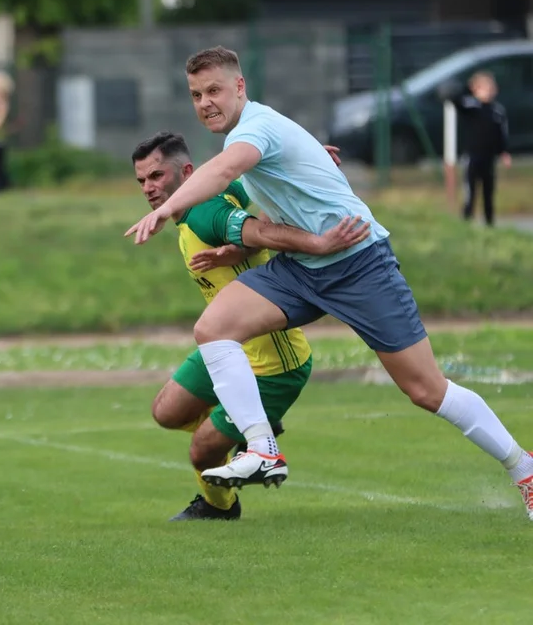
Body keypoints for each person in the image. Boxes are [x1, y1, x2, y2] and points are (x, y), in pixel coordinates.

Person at [125, 46, 533, 519]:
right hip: (301, 267)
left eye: (214, 90)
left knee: (426, 390)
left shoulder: (252, 130)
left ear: (240, 87)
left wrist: (167, 208)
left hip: (358, 261)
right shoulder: (252, 132)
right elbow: (269, 184)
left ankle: (524, 469)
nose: (205, 103)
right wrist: (306, 165)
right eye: (196, 94)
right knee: (213, 328)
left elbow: (224, 171)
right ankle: (262, 447)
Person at [134, 132, 370, 521]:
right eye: (142, 180)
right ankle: (253, 426)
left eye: (157, 176)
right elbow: (248, 182)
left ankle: (219, 507)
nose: (149, 188)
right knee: (165, 412)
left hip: (275, 365)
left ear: (187, 172)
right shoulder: (197, 207)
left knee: (201, 450)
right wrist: (304, 158)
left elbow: (259, 232)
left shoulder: (205, 213)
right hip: (226, 345)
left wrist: (317, 243)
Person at [452, 71, 513, 226]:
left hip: (489, 158)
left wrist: (504, 152)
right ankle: (466, 221)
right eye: (483, 88)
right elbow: (456, 101)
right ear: (476, 89)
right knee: (470, 191)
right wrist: (468, 87)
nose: (488, 91)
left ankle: (489, 222)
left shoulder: (497, 111)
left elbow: (502, 133)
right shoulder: (471, 107)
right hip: (472, 156)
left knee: (488, 191)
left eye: (490, 88)